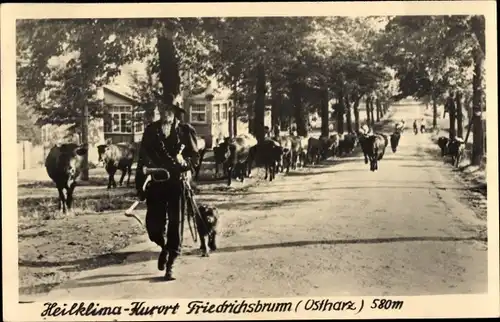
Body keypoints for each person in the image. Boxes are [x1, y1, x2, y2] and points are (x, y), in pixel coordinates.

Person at [135, 96, 200, 281]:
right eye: (162, 109)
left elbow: (195, 159)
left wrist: (184, 162)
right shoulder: (151, 131)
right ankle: (163, 247)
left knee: (175, 224)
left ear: (176, 112)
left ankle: (171, 262)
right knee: (153, 227)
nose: (165, 113)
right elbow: (141, 160)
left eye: (169, 110)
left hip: (177, 184)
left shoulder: (186, 131)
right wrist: (139, 186)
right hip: (156, 184)